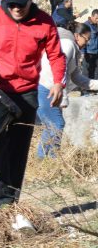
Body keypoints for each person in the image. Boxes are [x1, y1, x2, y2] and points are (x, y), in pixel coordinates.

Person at [0, 0, 66, 206]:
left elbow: (56, 55)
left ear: (30, 0)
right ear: (5, 0)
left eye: (21, 4)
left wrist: (58, 83)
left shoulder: (45, 22)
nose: (16, 9)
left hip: (27, 93)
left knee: (18, 149)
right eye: (11, 4)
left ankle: (8, 203)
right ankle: (3, 187)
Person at [37, 22, 98, 159]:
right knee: (57, 124)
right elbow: (59, 70)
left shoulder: (73, 49)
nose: (87, 43)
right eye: (86, 39)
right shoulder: (68, 45)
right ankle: (49, 159)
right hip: (46, 89)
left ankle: (44, 158)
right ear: (77, 35)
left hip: (52, 90)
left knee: (51, 126)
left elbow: (78, 79)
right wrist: (63, 97)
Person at [85, 10, 98, 79]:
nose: (97, 20)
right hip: (90, 52)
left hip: (96, 51)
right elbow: (82, 40)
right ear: (92, 16)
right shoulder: (86, 25)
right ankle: (89, 88)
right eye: (96, 18)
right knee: (91, 70)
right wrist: (82, 53)